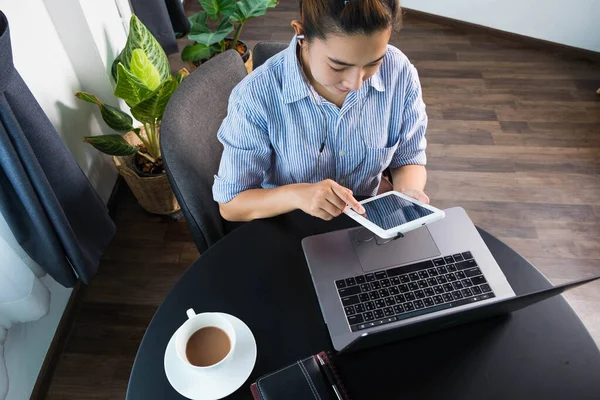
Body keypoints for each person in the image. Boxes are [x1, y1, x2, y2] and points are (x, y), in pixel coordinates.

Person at [213, 0, 429, 222]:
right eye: (338, 66)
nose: (356, 83)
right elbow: (231, 204)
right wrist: (297, 195)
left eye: (373, 63)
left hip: (369, 224)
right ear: (302, 34)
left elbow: (408, 158)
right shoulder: (255, 96)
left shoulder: (399, 72)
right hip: (291, 228)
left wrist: (407, 193)